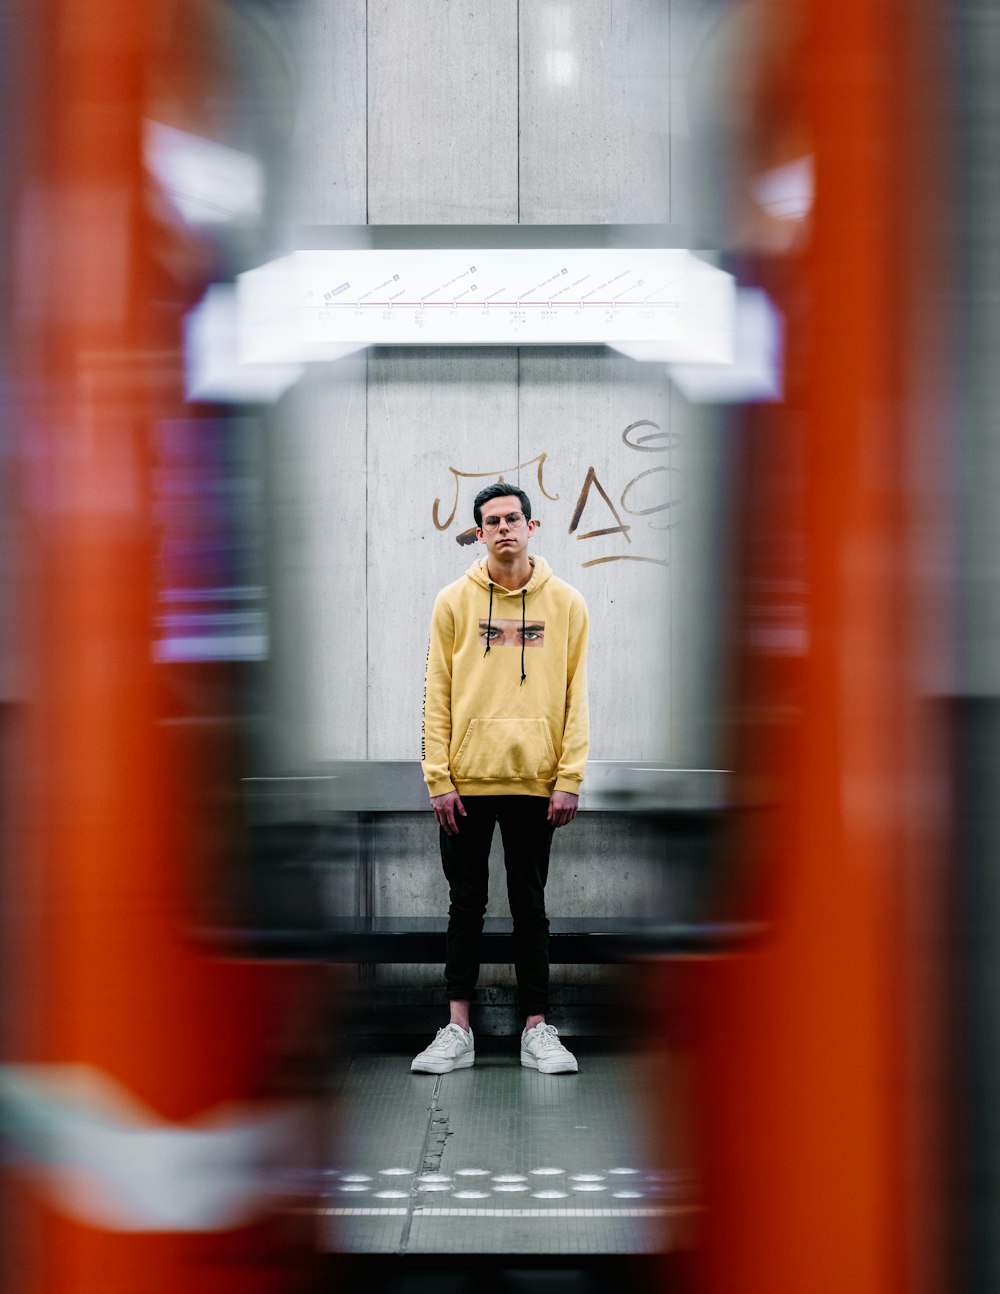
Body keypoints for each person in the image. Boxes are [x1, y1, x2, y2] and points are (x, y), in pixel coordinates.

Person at [412, 482, 589, 1076]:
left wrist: (570, 775)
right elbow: (436, 695)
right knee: (465, 905)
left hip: (536, 782)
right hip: (465, 781)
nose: (505, 528)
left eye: (515, 518)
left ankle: (536, 1030)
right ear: (480, 533)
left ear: (532, 527)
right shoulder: (453, 602)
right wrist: (438, 776)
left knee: (530, 907)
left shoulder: (566, 603)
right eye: (493, 521)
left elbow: (576, 696)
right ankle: (457, 1029)